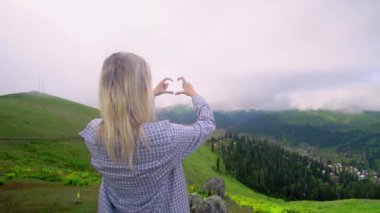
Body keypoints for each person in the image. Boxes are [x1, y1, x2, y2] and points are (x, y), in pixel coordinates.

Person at [79, 52, 216, 212]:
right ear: (142, 89)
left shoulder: (93, 136)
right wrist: (195, 95)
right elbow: (207, 125)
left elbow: (124, 119)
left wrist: (152, 94)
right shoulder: (165, 137)